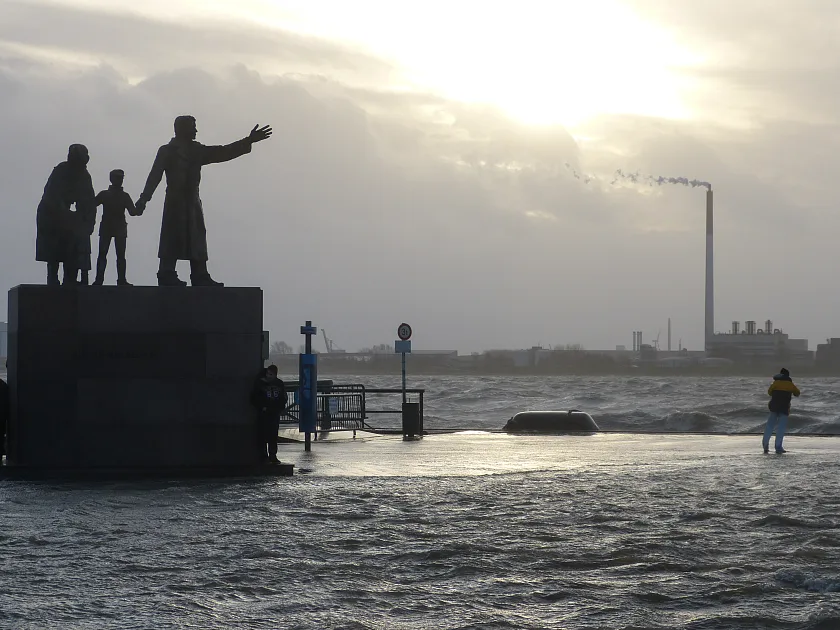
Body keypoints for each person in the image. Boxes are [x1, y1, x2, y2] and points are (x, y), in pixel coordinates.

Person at [135, 115, 272, 287]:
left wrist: (248, 140)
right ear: (182, 129)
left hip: (192, 201)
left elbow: (222, 152)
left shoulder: (197, 150)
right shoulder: (167, 151)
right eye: (192, 127)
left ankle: (200, 274)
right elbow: (154, 176)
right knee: (172, 236)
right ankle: (166, 273)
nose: (196, 130)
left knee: (197, 237)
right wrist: (144, 199)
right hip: (175, 201)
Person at [35, 144, 97, 285]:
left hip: (68, 216)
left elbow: (88, 201)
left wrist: (88, 222)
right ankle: (53, 278)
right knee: (54, 247)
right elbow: (52, 197)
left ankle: (70, 279)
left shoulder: (84, 176)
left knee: (73, 246)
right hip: (50, 214)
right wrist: (66, 214)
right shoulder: (60, 171)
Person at [92, 169, 138, 286]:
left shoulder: (124, 196)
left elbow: (133, 212)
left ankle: (121, 280)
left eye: (121, 178)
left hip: (118, 228)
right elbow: (91, 204)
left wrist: (140, 206)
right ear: (111, 179)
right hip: (108, 227)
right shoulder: (105, 194)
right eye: (117, 177)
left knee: (120, 256)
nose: (120, 180)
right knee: (103, 254)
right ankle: (99, 280)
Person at [250, 365, 287, 464]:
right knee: (263, 435)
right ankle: (264, 456)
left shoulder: (279, 384)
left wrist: (280, 408)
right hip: (264, 413)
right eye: (268, 374)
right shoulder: (260, 383)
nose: (268, 376)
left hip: (274, 413)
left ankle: (272, 455)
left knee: (273, 435)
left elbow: (283, 397)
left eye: (271, 374)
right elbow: (254, 397)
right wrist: (261, 407)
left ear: (275, 374)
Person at [764, 367, 800, 454]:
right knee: (781, 427)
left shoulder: (775, 383)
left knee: (769, 426)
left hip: (773, 407)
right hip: (784, 408)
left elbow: (769, 392)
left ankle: (765, 445)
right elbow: (797, 393)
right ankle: (778, 447)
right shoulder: (790, 384)